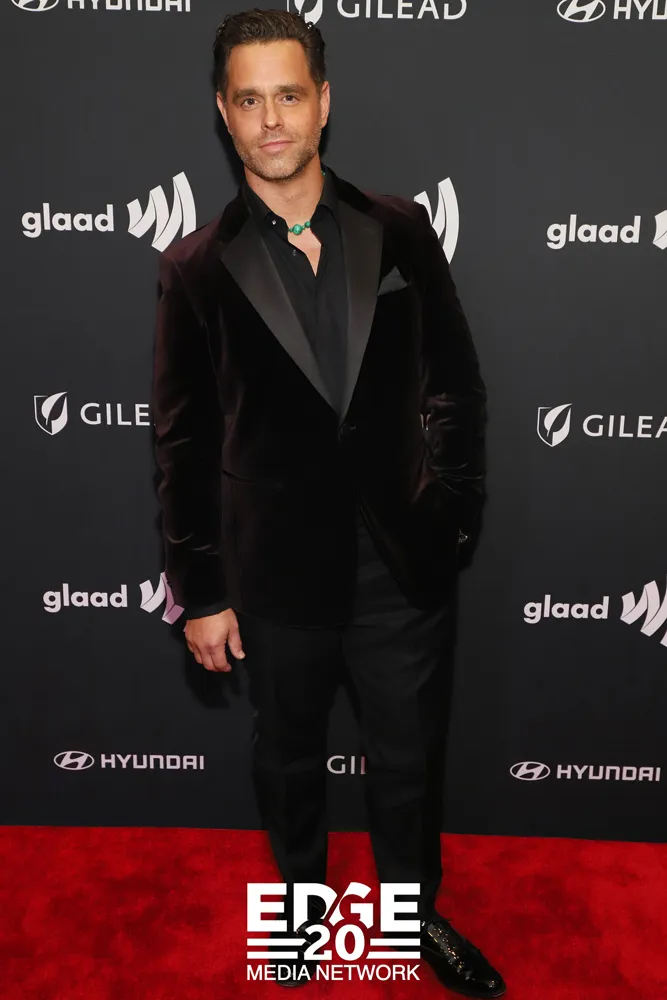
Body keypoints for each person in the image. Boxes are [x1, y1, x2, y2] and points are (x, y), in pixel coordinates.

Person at [151, 8, 504, 996]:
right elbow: (181, 441)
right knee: (289, 758)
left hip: (402, 560)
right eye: (249, 99)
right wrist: (201, 590)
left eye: (289, 95)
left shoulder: (399, 230)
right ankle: (302, 907)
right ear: (224, 113)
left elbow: (454, 385)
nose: (271, 119)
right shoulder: (194, 269)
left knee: (407, 759)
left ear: (323, 103)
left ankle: (413, 916)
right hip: (274, 570)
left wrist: (451, 509)